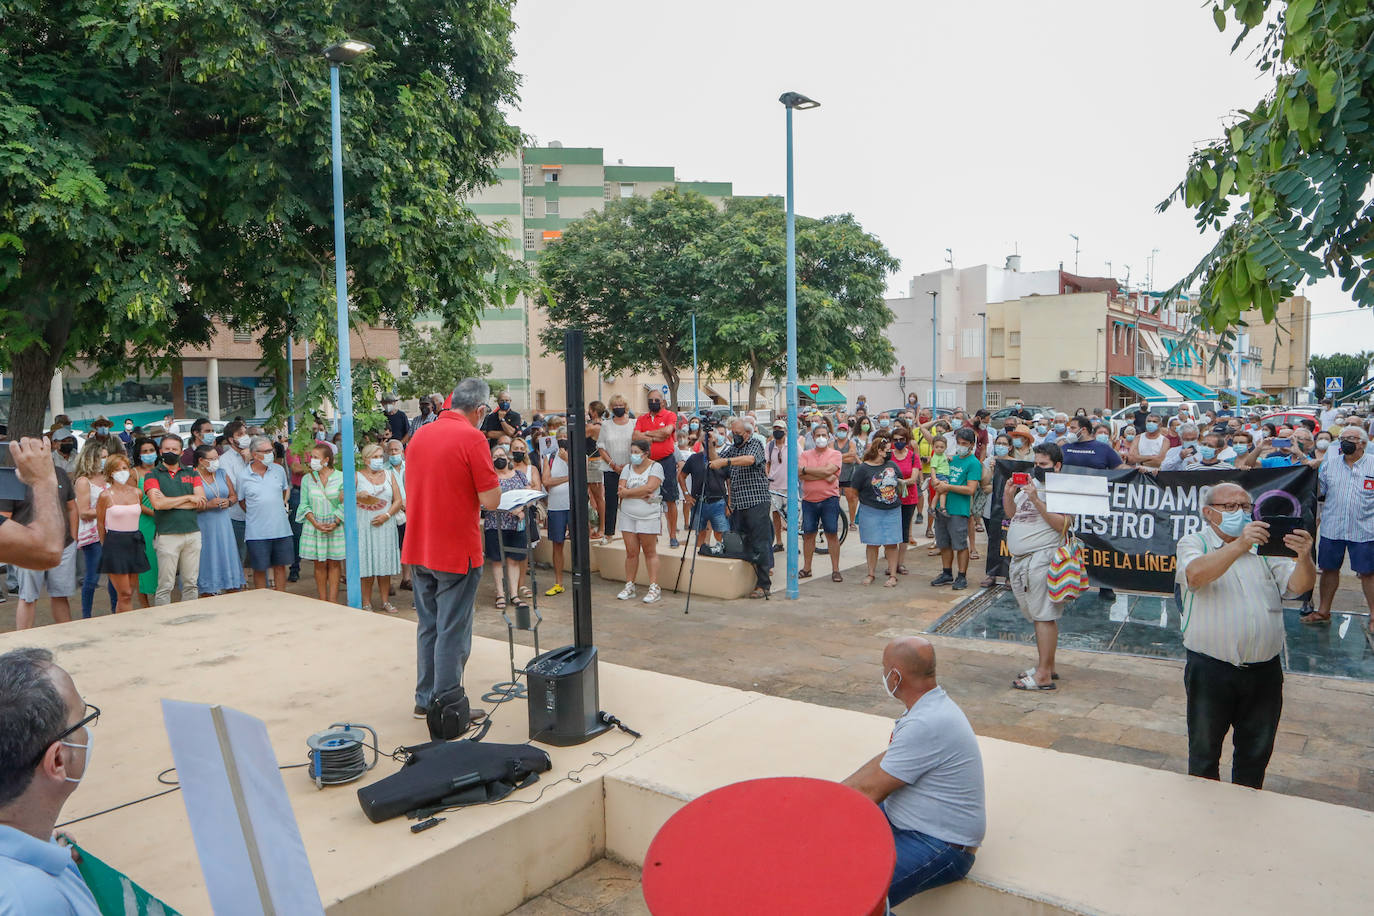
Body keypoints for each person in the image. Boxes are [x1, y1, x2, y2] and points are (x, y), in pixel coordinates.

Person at [1176, 483, 1316, 788]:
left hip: (1264, 672)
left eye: (1244, 506)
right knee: (1204, 752)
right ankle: (1203, 808)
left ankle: (1246, 806)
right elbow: (1195, 575)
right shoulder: (1195, 542)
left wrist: (1305, 557)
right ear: (1208, 512)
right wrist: (1240, 544)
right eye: (1230, 507)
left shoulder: (1265, 548)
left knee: (1255, 754)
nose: (1239, 513)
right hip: (1211, 669)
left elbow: (1299, 586)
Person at [842, 637, 985, 906]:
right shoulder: (928, 707)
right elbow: (886, 762)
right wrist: (836, 792)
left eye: (884, 668)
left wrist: (825, 808)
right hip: (906, 821)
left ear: (895, 676)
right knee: (825, 845)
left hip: (940, 843)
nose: (883, 674)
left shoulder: (926, 722)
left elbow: (872, 789)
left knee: (852, 899)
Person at [403, 378, 501, 719]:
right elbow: (491, 499)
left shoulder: (420, 434)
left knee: (429, 626)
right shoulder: (473, 438)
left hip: (419, 545)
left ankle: (425, 699)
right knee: (452, 631)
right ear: (480, 410)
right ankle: (446, 706)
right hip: (456, 549)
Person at [0, 648, 101, 914]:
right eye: (82, 720)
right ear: (57, 759)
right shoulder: (34, 904)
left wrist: (43, 847)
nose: (87, 732)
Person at [1006, 443, 1070, 690]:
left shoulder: (1061, 489)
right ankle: (1047, 666)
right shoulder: (1031, 484)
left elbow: (1063, 525)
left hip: (1042, 558)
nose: (1038, 468)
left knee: (1044, 616)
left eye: (1043, 464)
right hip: (1023, 559)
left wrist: (1036, 499)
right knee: (1037, 614)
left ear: (1057, 465)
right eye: (1036, 463)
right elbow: (1012, 514)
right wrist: (1009, 494)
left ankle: (1043, 675)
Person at [2, 449, 79, 629]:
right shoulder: (12, 478)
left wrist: (74, 538)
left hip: (64, 546)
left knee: (60, 595)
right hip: (26, 548)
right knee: (28, 597)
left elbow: (72, 508)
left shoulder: (60, 474)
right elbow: (5, 516)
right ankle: (23, 639)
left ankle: (66, 634)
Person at [1306, 427, 1374, 630]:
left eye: (1350, 438)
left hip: (1365, 529)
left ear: (1362, 443)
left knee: (1368, 573)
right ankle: (1323, 611)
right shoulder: (1330, 464)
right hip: (1333, 527)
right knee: (1328, 569)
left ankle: (1373, 617)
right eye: (1342, 438)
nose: (1345, 442)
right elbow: (1319, 493)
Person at [712, 418, 772, 599]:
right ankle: (747, 580)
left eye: (737, 433)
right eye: (732, 432)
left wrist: (726, 462)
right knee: (742, 543)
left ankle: (763, 585)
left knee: (760, 543)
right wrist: (709, 445)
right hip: (738, 504)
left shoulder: (755, 444)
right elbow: (717, 462)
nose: (734, 435)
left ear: (747, 433)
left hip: (756, 502)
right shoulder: (733, 449)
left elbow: (749, 460)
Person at [142, 434, 205, 605]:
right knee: (165, 585)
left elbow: (201, 501)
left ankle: (190, 617)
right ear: (160, 451)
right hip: (167, 535)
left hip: (192, 534)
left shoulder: (192, 472)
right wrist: (188, 498)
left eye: (174, 449)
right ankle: (163, 619)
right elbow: (158, 504)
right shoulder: (152, 474)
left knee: (191, 583)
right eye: (167, 449)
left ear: (181, 452)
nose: (170, 452)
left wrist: (169, 502)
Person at [94, 454, 150, 611]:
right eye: (117, 469)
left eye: (125, 468)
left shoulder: (137, 493)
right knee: (124, 593)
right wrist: (105, 546)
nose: (122, 472)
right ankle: (127, 622)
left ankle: (120, 620)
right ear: (110, 472)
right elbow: (100, 523)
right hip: (115, 543)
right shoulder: (105, 496)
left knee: (129, 592)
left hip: (135, 541)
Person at [235, 436, 291, 594]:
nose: (270, 454)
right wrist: (257, 512)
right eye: (266, 451)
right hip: (257, 532)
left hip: (280, 529)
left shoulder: (278, 470)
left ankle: (281, 597)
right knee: (259, 568)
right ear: (254, 454)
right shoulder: (243, 476)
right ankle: (261, 599)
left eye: (270, 450)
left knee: (280, 566)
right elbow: (242, 501)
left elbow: (284, 491)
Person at [930, 428, 982, 591]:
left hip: (959, 509)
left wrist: (948, 487)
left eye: (964, 444)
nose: (960, 446)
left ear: (971, 445)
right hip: (942, 507)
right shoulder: (951, 459)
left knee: (960, 544)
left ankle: (961, 575)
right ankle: (946, 573)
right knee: (943, 542)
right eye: (958, 443)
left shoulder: (974, 463)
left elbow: (971, 489)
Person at [484, 444, 534, 611]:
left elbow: (529, 496)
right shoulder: (489, 478)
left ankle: (514, 594)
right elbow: (485, 500)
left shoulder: (519, 475)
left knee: (514, 560)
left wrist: (521, 510)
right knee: (497, 560)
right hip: (495, 523)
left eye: (502, 456)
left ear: (508, 457)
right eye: (495, 457)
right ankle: (500, 594)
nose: (499, 459)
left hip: (516, 524)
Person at [355, 442, 404, 613]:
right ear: (365, 459)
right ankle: (366, 602)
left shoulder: (389, 475)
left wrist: (387, 515)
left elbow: (398, 500)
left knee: (385, 565)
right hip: (365, 526)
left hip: (386, 525)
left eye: (380, 456)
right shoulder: (357, 476)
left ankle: (385, 601)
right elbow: (341, 497)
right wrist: (357, 495)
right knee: (366, 564)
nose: (378, 460)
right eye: (374, 457)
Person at [615, 439, 665, 604]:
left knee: (649, 551)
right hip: (628, 515)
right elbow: (621, 490)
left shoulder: (656, 467)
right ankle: (630, 584)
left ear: (645, 453)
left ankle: (654, 587)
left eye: (636, 452)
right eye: (632, 452)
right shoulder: (627, 469)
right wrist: (638, 493)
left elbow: (650, 487)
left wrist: (629, 493)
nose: (633, 455)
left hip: (648, 515)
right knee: (631, 552)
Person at [190, 444, 243, 597]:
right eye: (212, 459)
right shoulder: (191, 476)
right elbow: (187, 505)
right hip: (203, 525)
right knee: (206, 559)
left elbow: (233, 495)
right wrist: (208, 505)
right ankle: (208, 591)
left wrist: (229, 502)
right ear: (201, 460)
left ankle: (231, 588)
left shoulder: (221, 473)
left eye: (217, 458)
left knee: (227, 558)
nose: (216, 462)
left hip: (224, 525)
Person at [849, 435, 902, 586]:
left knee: (892, 543)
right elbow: (854, 491)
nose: (890, 452)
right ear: (879, 451)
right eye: (887, 450)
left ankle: (893, 575)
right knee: (872, 543)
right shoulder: (863, 469)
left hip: (892, 510)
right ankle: (870, 573)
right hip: (871, 511)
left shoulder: (892, 465)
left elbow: (899, 482)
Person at [72, 440, 117, 618]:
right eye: (102, 457)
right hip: (93, 534)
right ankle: (86, 616)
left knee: (114, 574)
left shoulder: (109, 478)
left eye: (107, 457)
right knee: (92, 576)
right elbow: (83, 512)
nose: (105, 460)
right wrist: (107, 510)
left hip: (112, 530)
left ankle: (116, 611)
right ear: (91, 458)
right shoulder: (83, 482)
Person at [296, 442, 345, 602]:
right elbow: (304, 504)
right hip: (314, 525)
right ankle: (322, 600)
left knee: (334, 563)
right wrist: (315, 522)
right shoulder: (307, 479)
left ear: (326, 460)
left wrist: (336, 521)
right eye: (312, 457)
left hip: (335, 525)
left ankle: (333, 600)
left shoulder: (341, 477)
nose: (312, 460)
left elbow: (346, 503)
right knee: (319, 564)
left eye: (316, 457)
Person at [798, 425, 844, 582]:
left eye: (824, 435)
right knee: (808, 535)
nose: (821, 438)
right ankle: (807, 568)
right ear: (812, 437)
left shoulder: (836, 454)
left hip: (829, 499)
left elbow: (828, 470)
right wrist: (824, 474)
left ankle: (836, 570)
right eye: (818, 435)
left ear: (829, 436)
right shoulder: (805, 454)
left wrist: (807, 470)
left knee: (832, 533)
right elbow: (800, 473)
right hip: (809, 500)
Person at [634, 391, 680, 547]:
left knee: (670, 499)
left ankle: (673, 535)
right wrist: (656, 436)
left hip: (666, 462)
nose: (653, 402)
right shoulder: (642, 418)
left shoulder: (670, 415)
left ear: (663, 402)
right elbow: (635, 436)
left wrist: (646, 434)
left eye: (656, 400)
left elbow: (667, 432)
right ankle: (653, 533)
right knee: (650, 498)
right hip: (648, 463)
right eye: (650, 400)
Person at [680, 423, 730, 547]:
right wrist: (686, 495)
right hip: (698, 501)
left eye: (711, 440)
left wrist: (729, 502)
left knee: (721, 533)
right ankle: (700, 552)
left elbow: (729, 482)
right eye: (706, 440)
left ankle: (720, 551)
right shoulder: (694, 459)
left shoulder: (722, 459)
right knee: (700, 533)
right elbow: (681, 476)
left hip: (718, 502)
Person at [597, 395, 635, 544]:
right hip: (610, 469)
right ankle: (608, 533)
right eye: (615, 405)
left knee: (631, 501)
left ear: (626, 407)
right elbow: (601, 447)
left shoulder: (633, 423)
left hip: (631, 468)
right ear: (611, 408)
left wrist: (628, 464)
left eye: (621, 405)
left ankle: (634, 532)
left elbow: (639, 444)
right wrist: (613, 465)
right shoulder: (606, 425)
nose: (618, 407)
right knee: (611, 502)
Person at [218, 419, 253, 572]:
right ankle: (239, 579)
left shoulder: (254, 455)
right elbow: (236, 486)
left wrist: (250, 460)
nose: (245, 437)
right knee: (239, 552)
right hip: (237, 514)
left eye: (246, 433)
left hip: (257, 513)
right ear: (232, 440)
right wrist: (248, 464)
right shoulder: (224, 460)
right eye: (240, 434)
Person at [979, 433, 1012, 588]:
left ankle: (1009, 575)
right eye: (998, 443)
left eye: (1004, 444)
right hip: (990, 509)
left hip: (1007, 509)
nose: (1001, 446)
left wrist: (999, 488)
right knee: (993, 540)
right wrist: (992, 471)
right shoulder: (988, 461)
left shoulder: (1014, 464)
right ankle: (992, 573)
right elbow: (985, 486)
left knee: (1008, 541)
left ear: (1010, 447)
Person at [130, 438, 159, 607]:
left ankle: (162, 600)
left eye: (151, 450)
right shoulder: (134, 473)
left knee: (163, 564)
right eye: (144, 451)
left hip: (164, 522)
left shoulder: (162, 470)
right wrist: (155, 514)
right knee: (145, 563)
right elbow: (134, 501)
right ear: (138, 454)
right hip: (144, 524)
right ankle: (145, 605)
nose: (148, 454)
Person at [542, 434, 571, 597]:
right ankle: (558, 582)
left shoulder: (579, 455)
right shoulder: (549, 456)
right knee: (557, 544)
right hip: (555, 507)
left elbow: (581, 475)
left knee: (578, 544)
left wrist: (568, 460)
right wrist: (568, 478)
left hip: (573, 506)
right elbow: (546, 481)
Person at [1059, 416, 1124, 470]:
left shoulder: (1104, 448)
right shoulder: (1065, 446)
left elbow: (1120, 467)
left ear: (1083, 430)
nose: (1070, 431)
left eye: (1073, 428)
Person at [586, 401, 606, 541]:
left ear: (593, 411)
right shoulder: (603, 425)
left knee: (597, 497)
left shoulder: (594, 427)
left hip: (593, 462)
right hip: (595, 461)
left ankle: (601, 527)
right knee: (595, 497)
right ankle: (596, 526)